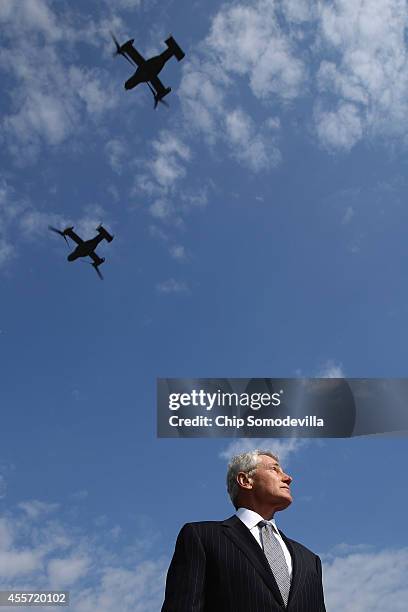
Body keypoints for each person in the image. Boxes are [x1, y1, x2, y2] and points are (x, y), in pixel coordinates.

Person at [162, 450, 326, 611]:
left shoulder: (310, 561)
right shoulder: (202, 537)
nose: (288, 478)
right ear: (245, 480)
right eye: (274, 469)